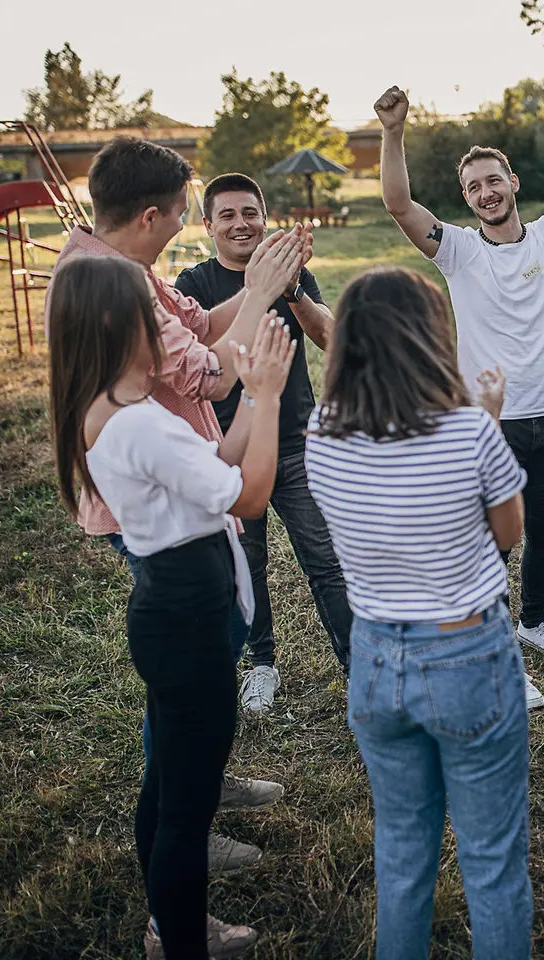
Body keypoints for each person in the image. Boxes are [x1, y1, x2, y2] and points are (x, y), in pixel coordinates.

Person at [45, 138, 307, 875]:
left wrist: (255, 280)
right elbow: (207, 376)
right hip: (154, 498)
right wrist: (259, 308)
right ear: (153, 214)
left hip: (179, 474)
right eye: (185, 208)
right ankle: (185, 809)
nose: (189, 220)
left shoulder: (126, 266)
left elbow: (196, 323)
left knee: (209, 657)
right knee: (196, 665)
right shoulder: (104, 281)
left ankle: (202, 779)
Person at [373, 73, 544, 708]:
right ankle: (499, 651)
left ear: (512, 184)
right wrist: (393, 133)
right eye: (472, 187)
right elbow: (401, 205)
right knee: (490, 544)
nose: (485, 192)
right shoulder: (456, 251)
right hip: (490, 423)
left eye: (493, 181)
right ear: (466, 198)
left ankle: (533, 624)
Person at [304, 268, 531, 960]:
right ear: (430, 338)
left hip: (374, 657)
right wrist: (487, 418)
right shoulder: (468, 432)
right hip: (467, 654)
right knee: (491, 860)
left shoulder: (321, 432)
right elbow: (506, 532)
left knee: (402, 852)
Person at [176, 172, 354, 713]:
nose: (240, 224)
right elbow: (195, 348)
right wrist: (257, 292)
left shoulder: (293, 276)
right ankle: (263, 664)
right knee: (245, 565)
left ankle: (360, 668)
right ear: (207, 226)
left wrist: (292, 286)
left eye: (249, 212)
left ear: (264, 217)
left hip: (296, 442)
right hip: (226, 449)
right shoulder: (193, 283)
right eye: (226, 215)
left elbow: (330, 338)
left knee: (325, 559)